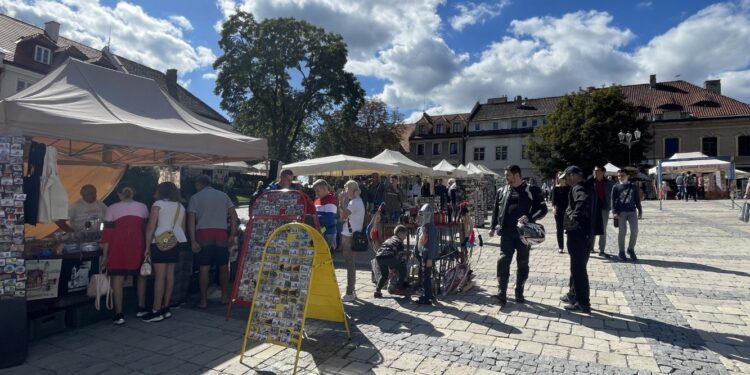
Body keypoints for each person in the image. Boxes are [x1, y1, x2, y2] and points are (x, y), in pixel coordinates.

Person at [488, 165, 547, 307]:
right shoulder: (502, 190)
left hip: (524, 235)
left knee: (523, 263)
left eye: (508, 175)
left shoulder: (532, 190)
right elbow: (496, 209)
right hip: (506, 233)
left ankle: (519, 290)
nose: (505, 177)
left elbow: (543, 209)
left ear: (517, 175)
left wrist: (530, 217)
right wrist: (492, 227)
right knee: (503, 261)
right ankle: (501, 293)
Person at [101, 185, 149, 325]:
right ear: (133, 192)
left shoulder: (112, 208)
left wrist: (105, 256)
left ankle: (119, 313)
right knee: (141, 276)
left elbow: (107, 234)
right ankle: (141, 307)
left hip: (118, 246)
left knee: (118, 278)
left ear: (118, 194)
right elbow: (146, 229)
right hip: (138, 245)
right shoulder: (143, 207)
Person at [187, 175, 238, 308]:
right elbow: (234, 215)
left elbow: (191, 220)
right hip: (221, 233)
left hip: (203, 234)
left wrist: (193, 240)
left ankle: (203, 300)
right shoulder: (223, 195)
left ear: (199, 184)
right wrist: (232, 233)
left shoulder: (195, 198)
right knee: (223, 266)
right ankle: (224, 296)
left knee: (204, 267)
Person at [143, 182, 187, 322]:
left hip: (160, 241)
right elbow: (183, 228)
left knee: (159, 277)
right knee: (170, 275)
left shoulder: (157, 205)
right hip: (176, 241)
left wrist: (146, 247)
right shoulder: (181, 206)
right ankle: (166, 306)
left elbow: (150, 228)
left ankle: (156, 310)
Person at [560, 166, 592, 314]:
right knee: (577, 267)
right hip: (585, 234)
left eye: (566, 177)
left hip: (578, 234)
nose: (565, 180)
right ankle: (573, 294)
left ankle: (583, 302)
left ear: (573, 175)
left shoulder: (577, 188)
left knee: (578, 269)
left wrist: (574, 218)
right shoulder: (585, 186)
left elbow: (582, 201)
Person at [340, 180, 365, 302]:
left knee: (350, 264)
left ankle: (349, 292)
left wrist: (341, 201)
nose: (345, 191)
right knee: (351, 264)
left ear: (352, 190)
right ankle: (352, 289)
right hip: (353, 234)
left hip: (349, 236)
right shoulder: (358, 201)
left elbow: (343, 216)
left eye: (346, 189)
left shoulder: (353, 202)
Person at [612, 169, 643, 261]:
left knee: (635, 231)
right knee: (622, 232)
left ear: (627, 176)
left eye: (622, 175)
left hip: (632, 211)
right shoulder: (616, 187)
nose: (620, 177)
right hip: (621, 212)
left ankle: (630, 249)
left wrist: (640, 210)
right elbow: (612, 201)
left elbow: (637, 199)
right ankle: (621, 252)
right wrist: (614, 212)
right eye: (618, 176)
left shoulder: (633, 186)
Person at [374, 225, 409, 298]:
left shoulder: (389, 239)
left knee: (384, 275)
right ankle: (398, 288)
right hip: (388, 256)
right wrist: (395, 266)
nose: (405, 238)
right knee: (402, 268)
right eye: (405, 235)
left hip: (379, 256)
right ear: (400, 234)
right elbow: (400, 256)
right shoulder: (399, 242)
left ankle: (377, 291)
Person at [415, 203, 438, 305]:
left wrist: (430, 258)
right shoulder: (422, 227)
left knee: (426, 277)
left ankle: (428, 296)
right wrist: (414, 253)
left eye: (424, 214)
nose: (422, 216)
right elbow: (418, 242)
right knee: (423, 276)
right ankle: (427, 294)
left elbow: (432, 244)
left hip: (427, 256)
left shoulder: (431, 228)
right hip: (422, 255)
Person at [589, 166, 614, 257]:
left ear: (603, 172)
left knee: (603, 229)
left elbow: (612, 196)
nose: (596, 172)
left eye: (598, 171)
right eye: (595, 171)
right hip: (593, 208)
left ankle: (601, 249)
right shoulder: (591, 181)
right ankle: (590, 248)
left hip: (604, 208)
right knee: (592, 228)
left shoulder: (609, 183)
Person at [313, 179, 338, 251]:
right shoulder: (318, 200)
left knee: (327, 257)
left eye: (317, 191)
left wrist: (313, 218)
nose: (316, 193)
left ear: (324, 189)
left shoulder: (330, 200)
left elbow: (329, 220)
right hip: (321, 231)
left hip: (328, 233)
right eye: (315, 191)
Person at [551, 173, 570, 254]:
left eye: (562, 177)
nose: (561, 179)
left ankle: (570, 246)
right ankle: (560, 247)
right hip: (559, 211)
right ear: (558, 179)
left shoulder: (569, 188)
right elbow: (553, 201)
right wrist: (553, 209)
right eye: (559, 177)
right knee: (559, 229)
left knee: (569, 229)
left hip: (568, 211)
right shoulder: (555, 189)